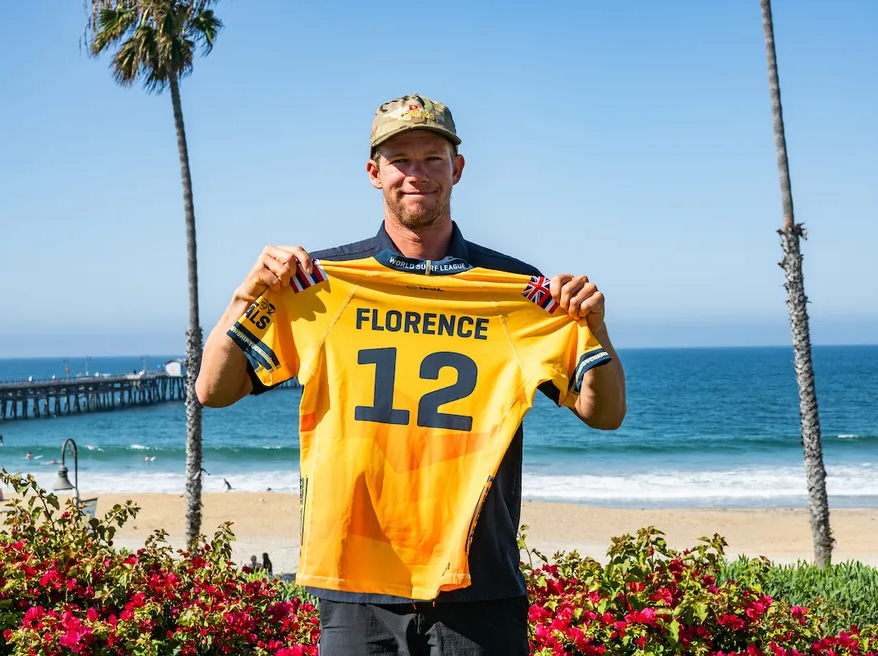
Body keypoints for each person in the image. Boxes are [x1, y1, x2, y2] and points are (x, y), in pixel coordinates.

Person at [196, 94, 626, 656]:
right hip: (356, 584)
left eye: (433, 157)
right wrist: (243, 295)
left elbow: (605, 413)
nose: (416, 173)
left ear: (458, 169)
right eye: (400, 159)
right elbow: (214, 390)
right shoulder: (322, 284)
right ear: (374, 173)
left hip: (480, 583)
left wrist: (596, 327)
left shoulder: (516, 289)